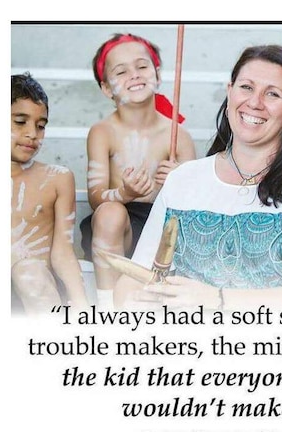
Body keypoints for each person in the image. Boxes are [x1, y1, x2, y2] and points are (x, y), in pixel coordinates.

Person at [114, 45, 282, 311]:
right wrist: (135, 299)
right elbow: (134, 275)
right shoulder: (183, 179)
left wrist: (217, 300)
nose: (254, 102)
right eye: (246, 87)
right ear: (229, 92)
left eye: (272, 94)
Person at [80, 33, 196, 310]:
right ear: (107, 89)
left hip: (161, 227)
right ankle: (110, 307)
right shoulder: (102, 132)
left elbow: (194, 203)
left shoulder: (177, 135)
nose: (134, 74)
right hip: (118, 228)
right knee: (109, 211)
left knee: (181, 224)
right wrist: (125, 192)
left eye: (142, 66)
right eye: (121, 71)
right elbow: (97, 198)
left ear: (157, 73)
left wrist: (179, 181)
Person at [11, 72, 90, 316]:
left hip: (38, 288)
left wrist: (81, 304)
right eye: (20, 121)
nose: (32, 133)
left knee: (29, 272)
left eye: (41, 126)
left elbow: (63, 252)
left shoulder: (57, 179)